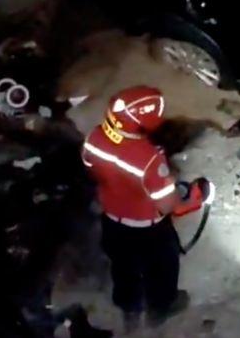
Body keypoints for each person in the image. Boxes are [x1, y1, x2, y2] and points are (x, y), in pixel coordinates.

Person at [81, 85, 208, 331]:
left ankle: (129, 310)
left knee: (123, 267)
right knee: (164, 268)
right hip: (148, 230)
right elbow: (170, 206)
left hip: (112, 222)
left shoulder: (94, 138)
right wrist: (194, 199)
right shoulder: (150, 159)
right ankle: (160, 310)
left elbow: (92, 169)